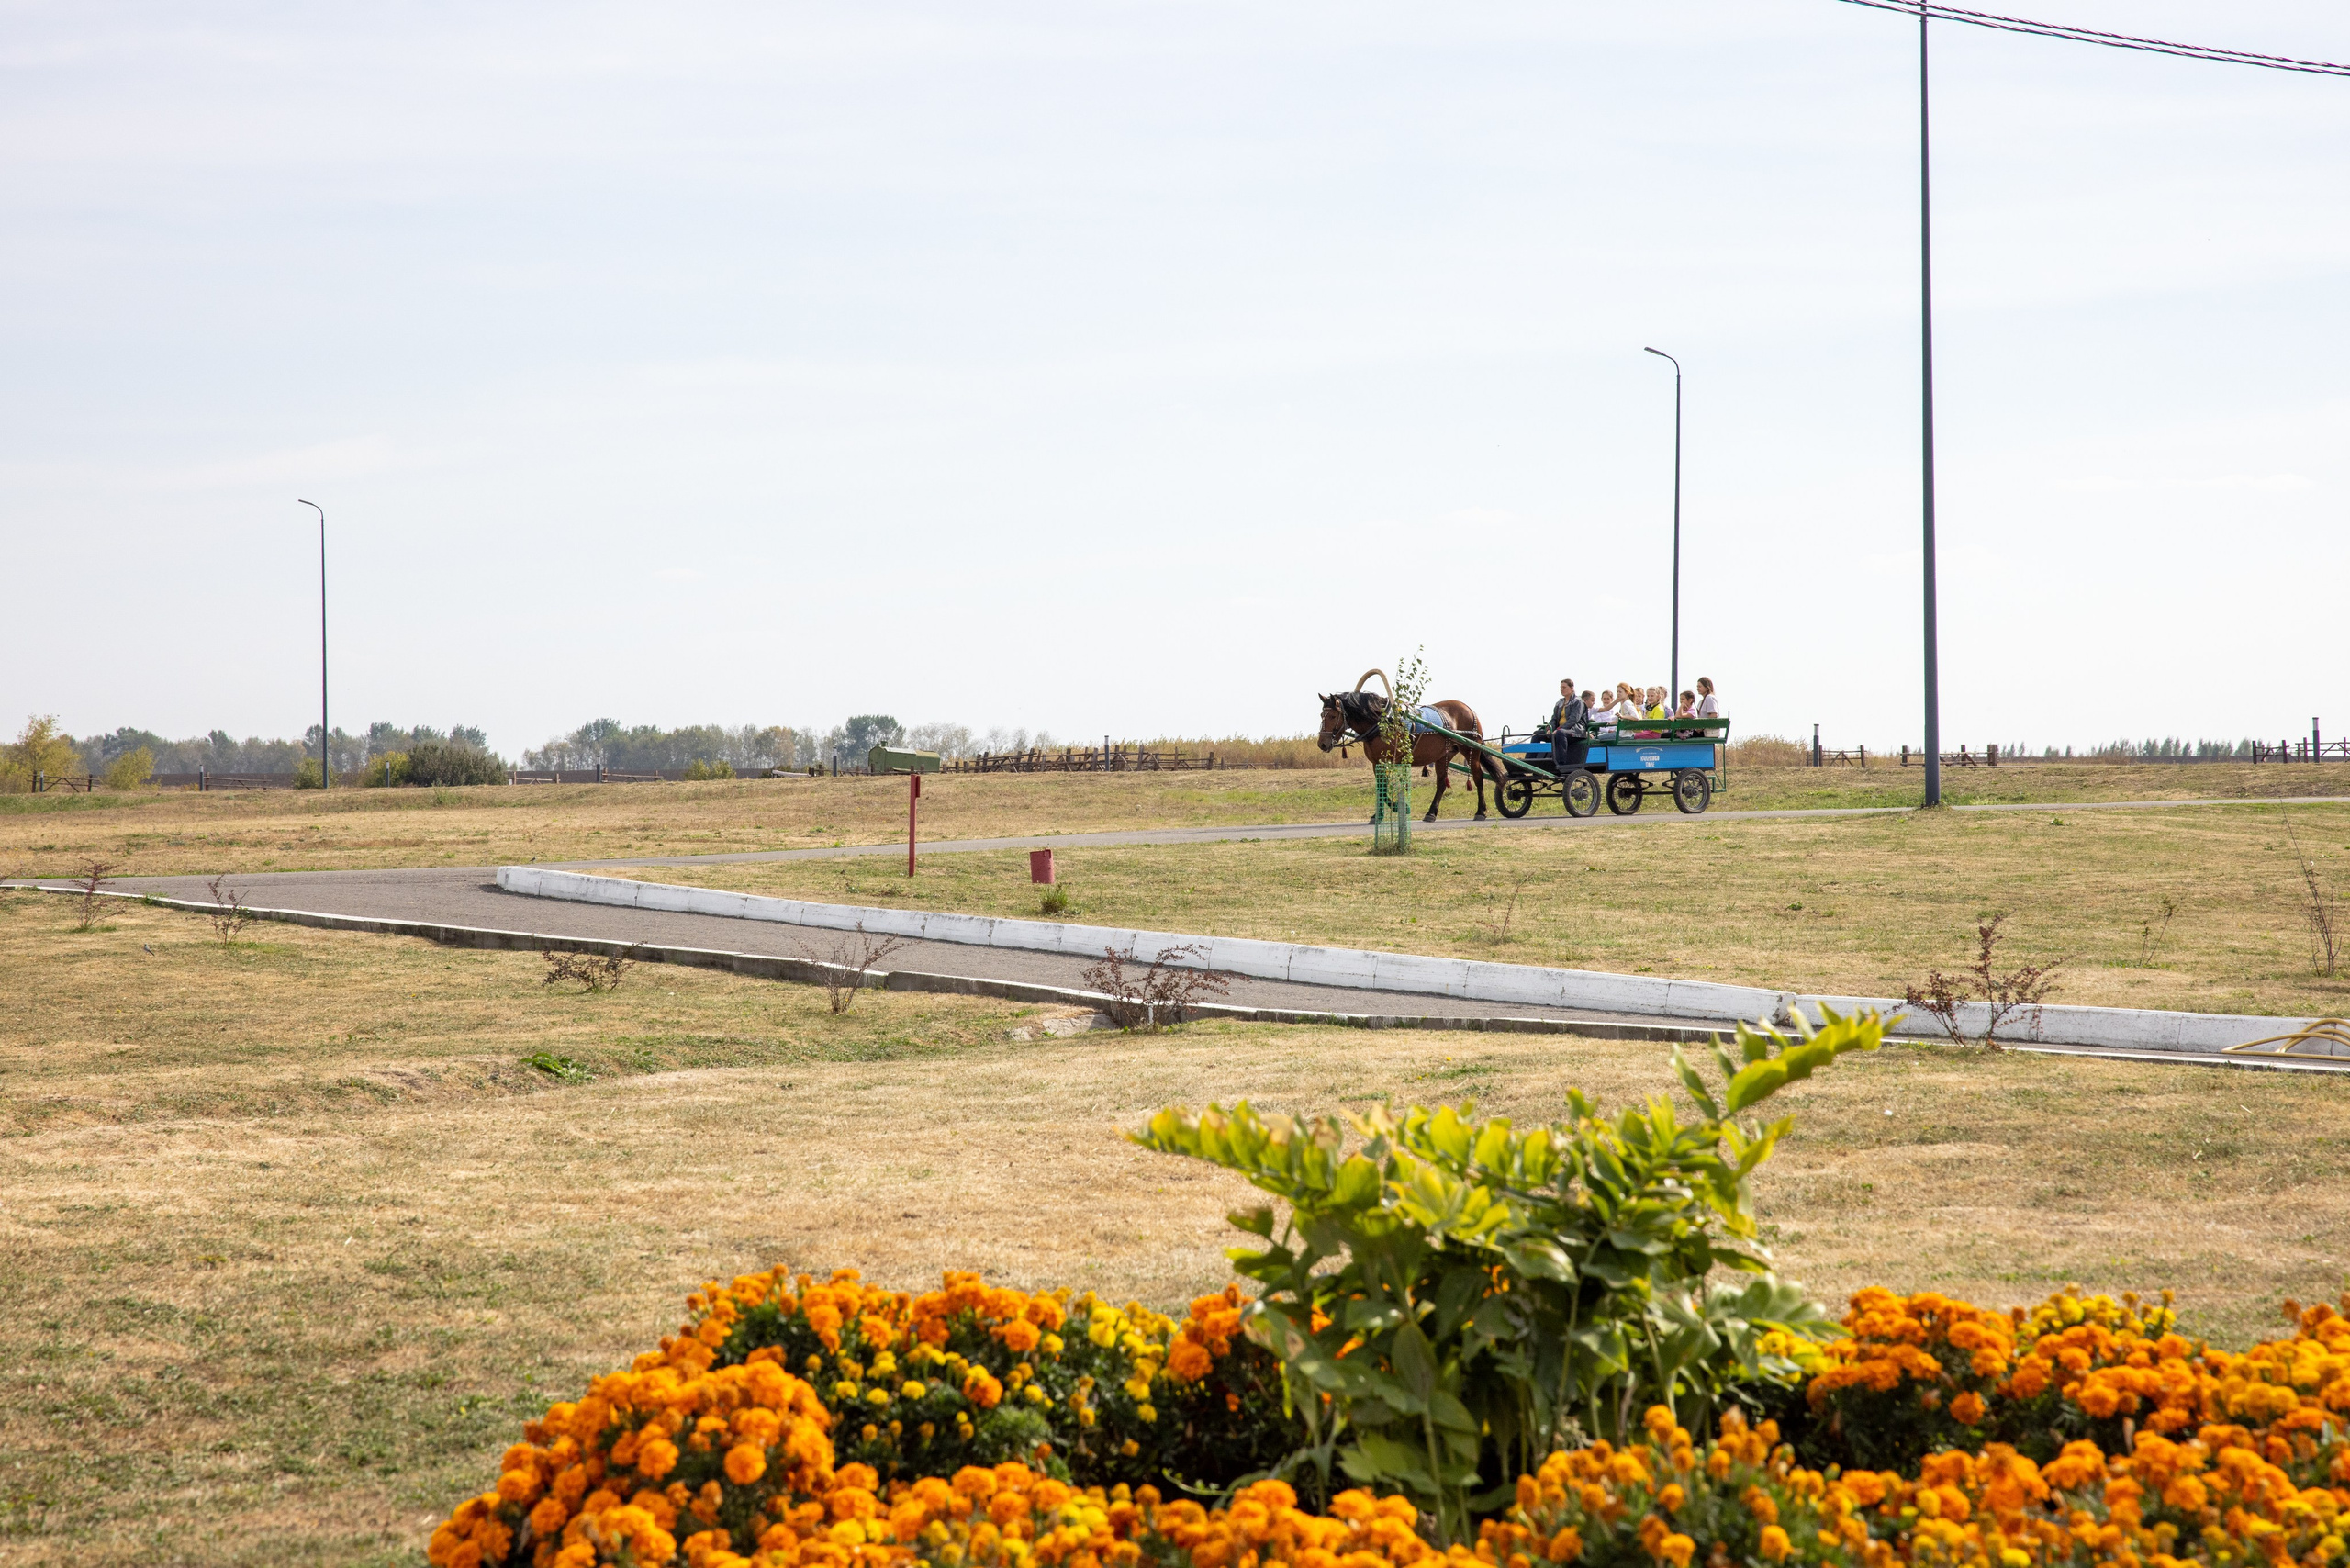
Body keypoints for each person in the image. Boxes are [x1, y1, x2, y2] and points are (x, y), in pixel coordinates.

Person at [1548, 678, 1589, 775]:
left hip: (1576, 731)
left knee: (1560, 733)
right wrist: (1549, 729)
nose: (1562, 689)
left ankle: (1561, 762)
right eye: (1561, 687)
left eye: (1564, 687)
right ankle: (1529, 760)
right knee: (1537, 735)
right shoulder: (1559, 703)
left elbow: (1574, 719)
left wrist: (1559, 729)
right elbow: (1554, 719)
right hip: (1561, 730)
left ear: (1571, 688)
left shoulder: (1578, 702)